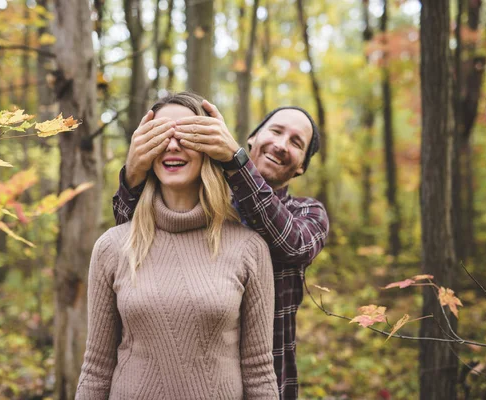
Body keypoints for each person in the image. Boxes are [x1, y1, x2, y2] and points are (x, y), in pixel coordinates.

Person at [113, 98, 330, 399]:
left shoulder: (309, 213)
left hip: (270, 381)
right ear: (252, 138)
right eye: (276, 131)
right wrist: (133, 176)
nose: (281, 144)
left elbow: (291, 245)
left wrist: (236, 162)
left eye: (296, 142)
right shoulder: (202, 201)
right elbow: (131, 243)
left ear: (303, 165)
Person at [76, 92, 279, 399]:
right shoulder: (112, 246)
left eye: (186, 134)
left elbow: (259, 371)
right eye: (160, 136)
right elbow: (96, 368)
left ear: (210, 146)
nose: (172, 145)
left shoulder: (249, 248)